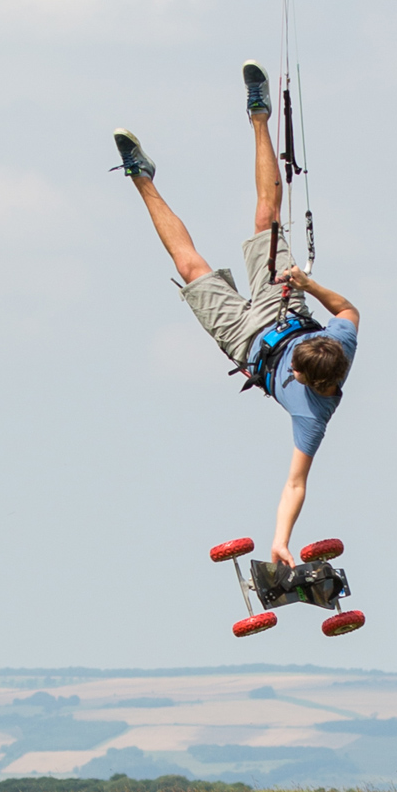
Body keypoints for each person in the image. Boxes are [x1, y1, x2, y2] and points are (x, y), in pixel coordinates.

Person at [112, 61, 359, 569]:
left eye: (296, 374)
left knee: (188, 265)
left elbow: (295, 482)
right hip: (286, 305)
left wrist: (280, 540)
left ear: (312, 384)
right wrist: (308, 284)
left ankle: (141, 178)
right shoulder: (341, 343)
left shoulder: (313, 417)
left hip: (246, 343)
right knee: (266, 216)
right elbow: (349, 309)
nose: (294, 371)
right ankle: (259, 113)